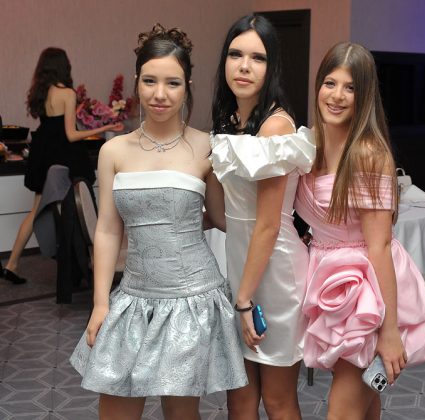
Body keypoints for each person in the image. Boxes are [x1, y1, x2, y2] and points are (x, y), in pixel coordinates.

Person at [69, 24, 247, 420]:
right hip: (133, 297)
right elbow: (108, 229)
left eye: (172, 83)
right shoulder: (114, 150)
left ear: (187, 87)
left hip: (191, 299)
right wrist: (100, 302)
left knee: (181, 414)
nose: (160, 94)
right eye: (150, 81)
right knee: (113, 410)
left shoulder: (208, 146)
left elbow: (221, 218)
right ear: (137, 82)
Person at [294, 42, 425, 420]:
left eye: (350, 88)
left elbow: (380, 245)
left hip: (366, 291)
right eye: (330, 83)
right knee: (365, 403)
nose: (337, 96)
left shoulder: (368, 154)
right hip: (330, 281)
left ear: (364, 96)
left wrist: (388, 331)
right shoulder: (310, 144)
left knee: (342, 410)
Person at [209, 14, 315, 420]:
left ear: (272, 67)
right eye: (235, 55)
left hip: (274, 273)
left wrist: (243, 300)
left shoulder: (275, 127)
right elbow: (227, 214)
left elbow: (268, 224)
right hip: (242, 265)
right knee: (238, 400)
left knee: (277, 400)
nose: (244, 66)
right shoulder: (230, 121)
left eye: (257, 57)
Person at [1, 47, 124, 285]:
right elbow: (70, 134)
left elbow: (53, 124)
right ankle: (87, 264)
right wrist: (106, 128)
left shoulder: (42, 92)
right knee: (78, 208)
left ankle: (12, 263)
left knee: (36, 211)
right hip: (63, 157)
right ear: (63, 66)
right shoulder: (67, 93)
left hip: (42, 152)